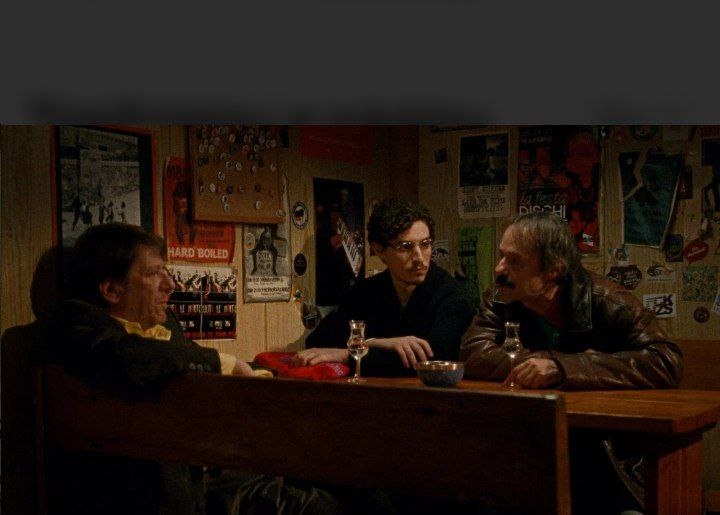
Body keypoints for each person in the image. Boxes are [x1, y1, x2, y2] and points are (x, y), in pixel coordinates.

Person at [459, 211, 683, 514]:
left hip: (606, 457)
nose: (499, 268)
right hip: (530, 448)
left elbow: (666, 360)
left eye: (514, 261)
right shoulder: (502, 295)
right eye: (501, 256)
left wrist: (562, 368)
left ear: (554, 269)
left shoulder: (606, 299)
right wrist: (543, 363)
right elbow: (473, 354)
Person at [43, 223, 254, 515]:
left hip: (201, 482)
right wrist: (223, 362)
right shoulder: (74, 323)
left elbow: (185, 358)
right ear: (112, 290)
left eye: (165, 271)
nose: (171, 284)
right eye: (154, 273)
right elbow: (127, 357)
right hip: (138, 500)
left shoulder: (164, 324)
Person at [295, 198, 475, 377]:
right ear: (379, 250)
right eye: (406, 247)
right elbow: (318, 344)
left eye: (425, 244)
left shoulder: (452, 296)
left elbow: (433, 361)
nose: (419, 258)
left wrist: (348, 355)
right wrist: (378, 343)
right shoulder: (367, 291)